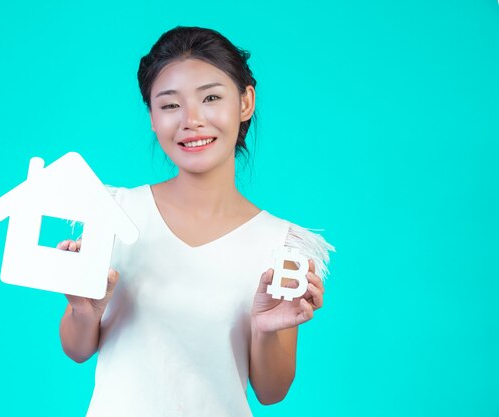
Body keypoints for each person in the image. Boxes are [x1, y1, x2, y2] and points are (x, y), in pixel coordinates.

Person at [58, 26, 334, 416]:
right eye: (170, 105)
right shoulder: (115, 213)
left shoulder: (281, 244)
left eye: (210, 98)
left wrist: (266, 327)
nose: (191, 120)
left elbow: (272, 391)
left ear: (245, 102)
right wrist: (84, 311)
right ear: (152, 117)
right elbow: (76, 349)